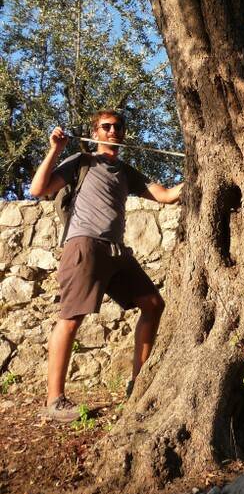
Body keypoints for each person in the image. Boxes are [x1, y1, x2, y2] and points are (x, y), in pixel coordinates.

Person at [30, 110, 184, 422]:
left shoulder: (126, 172)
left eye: (117, 127)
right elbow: (38, 190)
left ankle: (137, 387)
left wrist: (199, 170)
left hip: (116, 252)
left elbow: (166, 196)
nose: (112, 130)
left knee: (152, 304)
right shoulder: (82, 162)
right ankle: (54, 399)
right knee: (71, 318)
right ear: (96, 132)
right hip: (84, 246)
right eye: (106, 126)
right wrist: (55, 149)